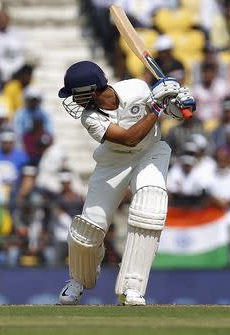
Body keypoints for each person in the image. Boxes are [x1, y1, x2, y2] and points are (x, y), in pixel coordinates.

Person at [56, 61, 196, 305]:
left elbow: (177, 114)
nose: (73, 100)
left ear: (91, 89)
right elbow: (129, 140)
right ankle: (77, 279)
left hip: (151, 152)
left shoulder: (137, 88)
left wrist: (177, 99)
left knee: (149, 209)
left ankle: (132, 286)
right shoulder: (90, 117)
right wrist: (157, 105)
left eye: (75, 94)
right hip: (113, 161)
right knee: (89, 227)